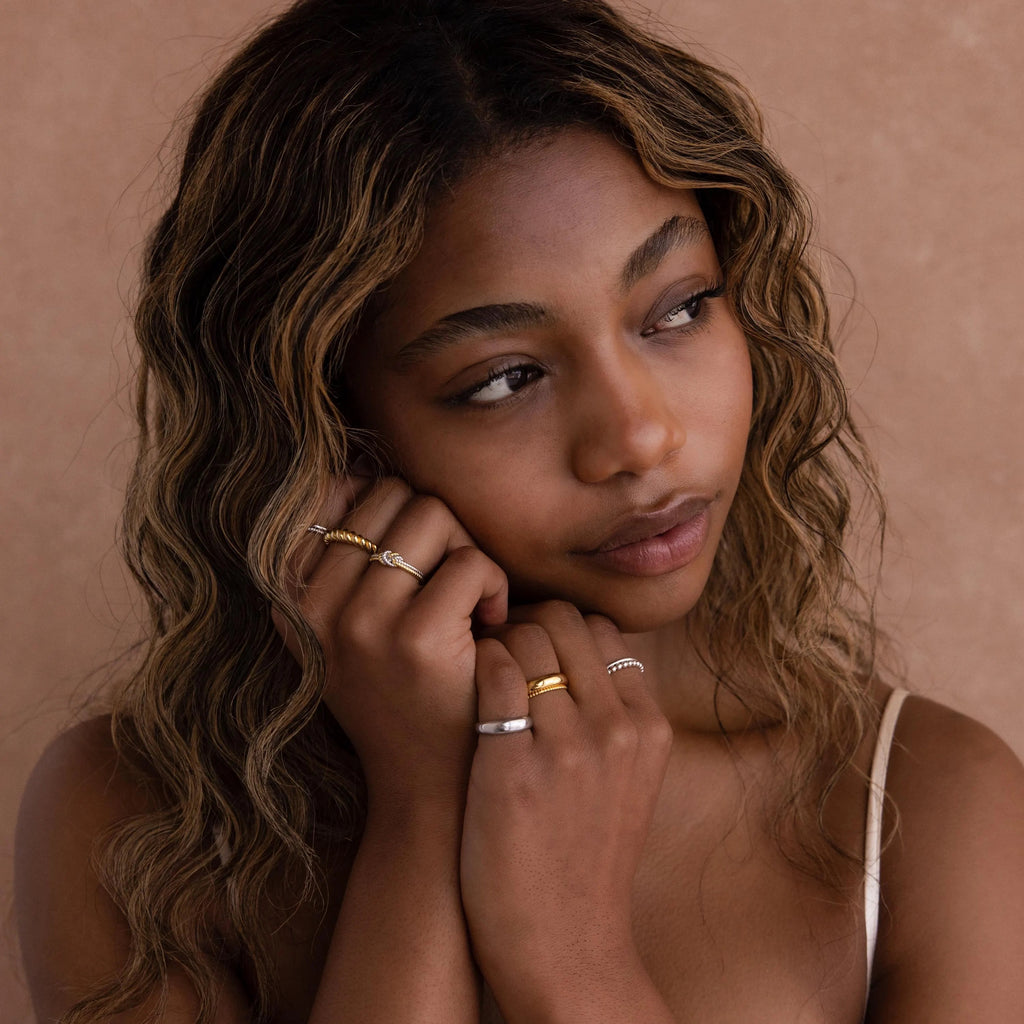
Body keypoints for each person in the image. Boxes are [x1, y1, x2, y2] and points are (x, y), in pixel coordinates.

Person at [14, 0, 1024, 1021]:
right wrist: (420, 810)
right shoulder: (138, 825)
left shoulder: (915, 806)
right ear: (324, 432)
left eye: (676, 310)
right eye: (504, 379)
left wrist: (573, 958)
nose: (638, 437)